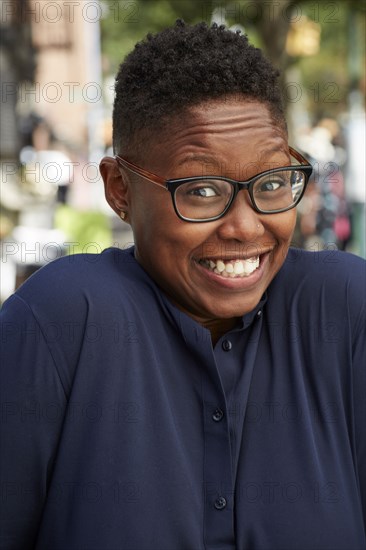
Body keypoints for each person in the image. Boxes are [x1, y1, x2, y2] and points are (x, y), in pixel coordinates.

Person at [1, 20, 365, 550]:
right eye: (201, 190)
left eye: (269, 183)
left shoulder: (343, 313)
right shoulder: (61, 323)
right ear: (120, 189)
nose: (245, 226)